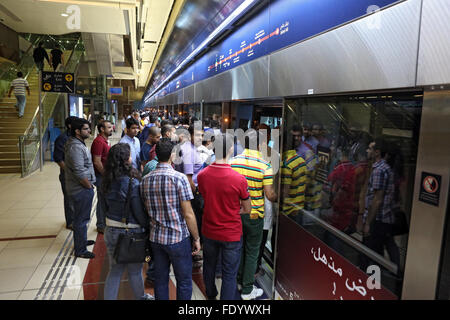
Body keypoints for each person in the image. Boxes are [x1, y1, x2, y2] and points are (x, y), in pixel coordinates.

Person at [141, 139, 201, 300]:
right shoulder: (179, 178)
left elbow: (147, 208)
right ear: (172, 156)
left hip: (156, 238)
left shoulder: (145, 180)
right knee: (184, 281)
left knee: (161, 280)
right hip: (178, 238)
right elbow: (188, 213)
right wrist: (196, 238)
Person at [198, 133, 252, 300]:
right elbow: (248, 208)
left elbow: (205, 197)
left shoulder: (202, 175)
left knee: (209, 265)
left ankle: (211, 294)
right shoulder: (239, 179)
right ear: (230, 149)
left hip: (209, 230)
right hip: (231, 233)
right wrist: (234, 210)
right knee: (229, 274)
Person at [101, 143, 153, 300]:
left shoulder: (106, 180)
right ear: (125, 160)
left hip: (111, 229)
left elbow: (103, 207)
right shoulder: (132, 182)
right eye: (130, 155)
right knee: (135, 270)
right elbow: (137, 211)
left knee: (114, 271)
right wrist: (147, 226)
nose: (132, 157)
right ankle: (141, 297)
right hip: (131, 232)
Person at [230, 129, 277, 300]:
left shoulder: (233, 162)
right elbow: (270, 195)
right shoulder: (265, 165)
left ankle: (239, 278)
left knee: (238, 248)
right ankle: (247, 289)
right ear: (261, 144)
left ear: (243, 143)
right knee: (252, 252)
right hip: (255, 216)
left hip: (236, 214)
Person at [359, 138, 400, 270]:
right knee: (380, 252)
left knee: (369, 256)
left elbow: (377, 199)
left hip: (378, 220)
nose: (367, 151)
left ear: (377, 152)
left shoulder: (379, 170)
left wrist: (368, 223)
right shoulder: (384, 168)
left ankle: (367, 283)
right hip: (383, 219)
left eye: (370, 149)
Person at [64, 118, 96, 259]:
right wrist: (88, 186)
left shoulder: (77, 143)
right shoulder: (75, 147)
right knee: (81, 220)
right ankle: (80, 249)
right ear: (77, 131)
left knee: (82, 218)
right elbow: (78, 171)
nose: (89, 131)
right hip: (80, 189)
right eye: (86, 129)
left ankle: (81, 241)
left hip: (81, 188)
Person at [53, 116, 78, 230]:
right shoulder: (62, 139)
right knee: (69, 198)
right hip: (67, 175)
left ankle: (76, 220)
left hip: (77, 174)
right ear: (69, 126)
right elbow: (58, 158)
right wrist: (68, 172)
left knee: (76, 198)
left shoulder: (76, 137)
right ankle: (71, 221)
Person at [91, 120, 113, 234]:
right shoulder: (99, 142)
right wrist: (105, 175)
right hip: (101, 176)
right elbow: (97, 161)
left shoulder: (105, 141)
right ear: (102, 129)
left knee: (105, 200)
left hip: (105, 175)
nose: (111, 129)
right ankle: (100, 225)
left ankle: (104, 223)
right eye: (109, 127)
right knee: (102, 201)